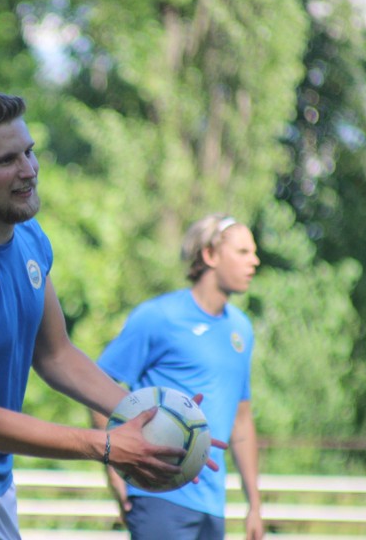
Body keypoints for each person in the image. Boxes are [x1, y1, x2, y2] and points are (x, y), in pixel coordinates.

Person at [0, 86, 222, 539]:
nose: (28, 171)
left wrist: (158, 419)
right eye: (5, 161)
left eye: (29, 152)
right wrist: (108, 445)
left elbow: (56, 355)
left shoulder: (30, 237)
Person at [92, 213, 264, 540]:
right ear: (210, 255)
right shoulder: (157, 317)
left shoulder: (241, 329)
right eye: (243, 252)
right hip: (158, 496)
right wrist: (117, 474)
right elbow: (98, 383)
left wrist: (254, 504)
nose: (254, 261)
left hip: (213, 503)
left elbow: (241, 421)